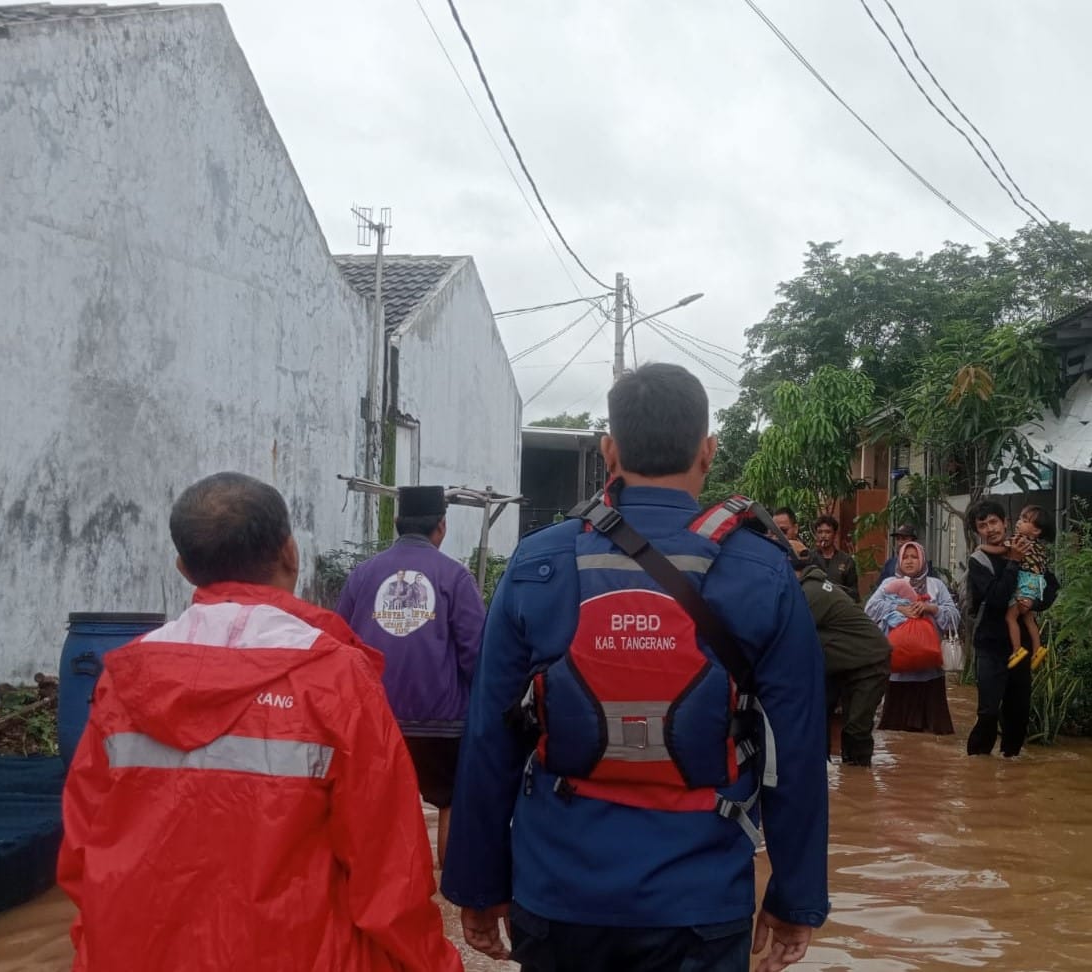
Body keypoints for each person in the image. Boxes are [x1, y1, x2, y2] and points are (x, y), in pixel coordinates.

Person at [443, 363, 829, 972]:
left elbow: (490, 737)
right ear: (708, 450)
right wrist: (797, 897)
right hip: (700, 900)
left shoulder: (537, 562)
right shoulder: (764, 572)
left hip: (557, 895)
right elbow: (798, 750)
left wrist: (477, 885)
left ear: (608, 452)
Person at [58, 472, 461, 972]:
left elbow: (80, 853)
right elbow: (389, 876)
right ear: (291, 553)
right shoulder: (335, 679)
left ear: (184, 568)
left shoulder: (123, 680)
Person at [336, 485, 485, 870]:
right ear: (442, 526)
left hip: (376, 718)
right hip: (443, 722)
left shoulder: (362, 576)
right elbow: (476, 654)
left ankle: (382, 892)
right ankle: (451, 895)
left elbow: (340, 643)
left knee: (378, 809)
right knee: (452, 800)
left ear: (398, 524)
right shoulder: (455, 577)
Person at [964, 501, 1058, 759]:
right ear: (977, 531)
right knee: (988, 711)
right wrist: (1013, 563)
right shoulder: (979, 560)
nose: (989, 529)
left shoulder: (1028, 548)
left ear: (1005, 522)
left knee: (1018, 710)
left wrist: (1034, 602)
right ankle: (977, 763)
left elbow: (1050, 587)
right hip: (991, 644)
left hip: (1022, 646)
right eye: (982, 525)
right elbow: (995, 597)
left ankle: (1011, 762)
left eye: (993, 522)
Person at [796, 556, 891, 766]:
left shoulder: (810, 593)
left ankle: (859, 781)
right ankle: (828, 770)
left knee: (856, 728)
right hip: (842, 664)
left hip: (870, 663)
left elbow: (789, 634)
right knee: (820, 715)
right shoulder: (813, 587)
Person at [865, 540, 961, 735]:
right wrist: (898, 608)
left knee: (934, 733)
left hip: (930, 670)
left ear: (923, 560)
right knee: (895, 735)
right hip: (898, 669)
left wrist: (931, 608)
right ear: (899, 560)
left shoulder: (936, 586)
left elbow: (954, 618)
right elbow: (869, 611)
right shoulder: (889, 584)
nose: (909, 561)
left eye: (914, 556)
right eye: (905, 557)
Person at [1002, 505, 1053, 671]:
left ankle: (1017, 650)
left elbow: (1002, 549)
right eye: (1020, 518)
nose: (1019, 522)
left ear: (1036, 531)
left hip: (1024, 582)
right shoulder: (1039, 547)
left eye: (1024, 521)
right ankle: (1038, 649)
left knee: (1011, 616)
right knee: (1029, 618)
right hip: (1037, 584)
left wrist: (982, 548)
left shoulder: (1019, 541)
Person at [810, 514, 860, 602]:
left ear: (835, 535)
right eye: (820, 532)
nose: (823, 536)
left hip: (839, 607)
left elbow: (853, 592)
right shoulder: (809, 558)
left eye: (827, 532)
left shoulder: (846, 560)